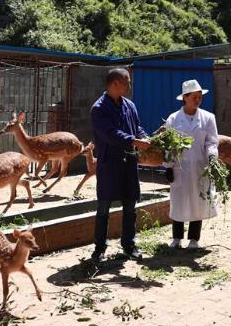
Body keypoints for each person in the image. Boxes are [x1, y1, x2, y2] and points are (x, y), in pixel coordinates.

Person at [90, 68, 151, 262]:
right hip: (109, 164)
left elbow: (137, 126)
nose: (130, 85)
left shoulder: (129, 105)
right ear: (115, 83)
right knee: (104, 207)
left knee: (130, 206)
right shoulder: (99, 108)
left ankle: (129, 244)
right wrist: (134, 141)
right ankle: (99, 248)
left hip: (129, 163)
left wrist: (143, 137)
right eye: (127, 82)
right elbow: (110, 134)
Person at [164, 79, 220, 249]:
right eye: (194, 96)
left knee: (198, 201)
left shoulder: (208, 118)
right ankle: (176, 238)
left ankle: (194, 239)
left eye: (199, 96)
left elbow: (211, 141)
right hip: (180, 168)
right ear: (185, 98)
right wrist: (167, 166)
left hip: (199, 167)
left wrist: (212, 158)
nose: (198, 99)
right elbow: (168, 145)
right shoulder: (173, 119)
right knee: (178, 201)